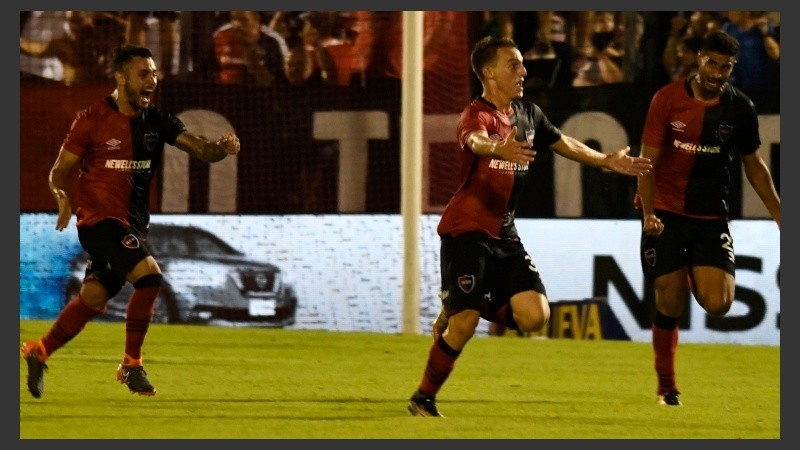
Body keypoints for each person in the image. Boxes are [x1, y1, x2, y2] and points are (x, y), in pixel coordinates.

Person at [406, 35, 653, 417]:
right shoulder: (478, 115)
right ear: (489, 72)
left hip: (504, 233)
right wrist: (495, 147)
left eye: (522, 63)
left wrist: (606, 160)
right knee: (465, 326)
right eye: (514, 65)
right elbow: (475, 141)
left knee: (535, 316)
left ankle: (459, 303)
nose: (523, 71)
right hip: (466, 232)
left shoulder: (529, 115)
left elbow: (565, 142)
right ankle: (423, 397)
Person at [20, 44, 241, 399]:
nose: (152, 79)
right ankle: (132, 365)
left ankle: (39, 351)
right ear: (121, 78)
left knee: (92, 297)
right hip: (97, 222)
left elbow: (201, 149)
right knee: (150, 277)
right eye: (144, 73)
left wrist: (221, 147)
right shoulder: (91, 119)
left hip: (131, 226)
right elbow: (59, 171)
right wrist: (63, 199)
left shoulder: (158, 121)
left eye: (154, 73)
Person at [635, 30, 779, 407]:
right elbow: (646, 161)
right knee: (669, 298)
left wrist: (781, 214)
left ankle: (686, 267)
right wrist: (648, 214)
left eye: (726, 66)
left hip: (710, 214)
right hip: (664, 210)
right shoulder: (666, 100)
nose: (717, 72)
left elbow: (754, 166)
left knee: (719, 304)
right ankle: (667, 385)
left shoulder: (740, 108)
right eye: (712, 63)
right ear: (698, 59)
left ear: (733, 67)